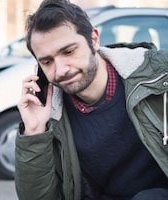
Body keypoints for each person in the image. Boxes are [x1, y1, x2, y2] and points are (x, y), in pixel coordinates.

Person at [15, 0, 168, 199]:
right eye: (47, 61)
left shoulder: (159, 77)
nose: (61, 70)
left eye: (68, 51)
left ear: (94, 39)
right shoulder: (51, 116)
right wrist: (34, 134)